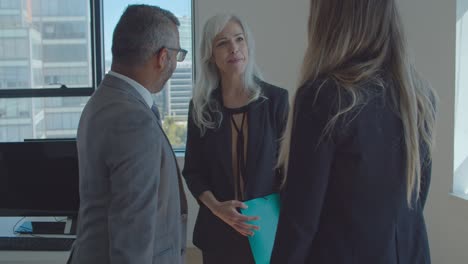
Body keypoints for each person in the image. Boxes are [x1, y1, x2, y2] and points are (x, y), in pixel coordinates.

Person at [271, 0, 437, 263]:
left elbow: (300, 223)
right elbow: (414, 201)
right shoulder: (419, 97)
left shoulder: (323, 97)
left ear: (329, 20)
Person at [67, 5, 188, 264]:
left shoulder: (103, 100)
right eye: (177, 55)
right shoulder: (132, 119)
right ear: (162, 57)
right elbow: (132, 236)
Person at [182, 14, 289, 264]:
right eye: (222, 43)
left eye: (239, 39)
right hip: (218, 234)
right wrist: (217, 207)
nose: (234, 48)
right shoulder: (201, 107)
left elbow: (288, 169)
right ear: (211, 54)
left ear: (248, 45)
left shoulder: (276, 100)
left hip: (265, 231)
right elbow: (193, 172)